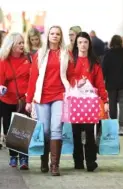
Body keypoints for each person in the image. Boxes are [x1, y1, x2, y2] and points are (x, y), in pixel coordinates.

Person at [25, 25, 75, 176]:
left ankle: (55, 165)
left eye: (57, 34)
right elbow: (33, 77)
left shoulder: (66, 54)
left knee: (56, 129)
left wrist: (73, 90)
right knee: (45, 130)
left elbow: (71, 75)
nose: (54, 36)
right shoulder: (40, 54)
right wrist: (29, 99)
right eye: (52, 33)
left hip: (60, 95)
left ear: (61, 37)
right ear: (47, 36)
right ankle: (43, 160)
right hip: (42, 96)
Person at [71, 32, 109, 172]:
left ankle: (91, 160)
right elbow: (67, 79)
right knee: (75, 132)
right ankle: (78, 160)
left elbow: (100, 84)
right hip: (74, 101)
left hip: (90, 102)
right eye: (80, 42)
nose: (83, 45)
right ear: (76, 44)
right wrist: (76, 83)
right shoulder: (71, 61)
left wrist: (105, 101)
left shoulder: (95, 62)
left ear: (89, 44)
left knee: (89, 132)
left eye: (85, 42)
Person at [0, 32, 31, 169]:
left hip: (24, 99)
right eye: (19, 43)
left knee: (23, 128)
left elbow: (33, 77)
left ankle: (24, 157)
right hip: (7, 100)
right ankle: (13, 155)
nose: (22, 45)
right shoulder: (3, 60)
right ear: (11, 45)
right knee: (9, 128)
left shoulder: (28, 59)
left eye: (23, 42)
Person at [102, 35, 123, 136]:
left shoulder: (107, 54)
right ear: (121, 42)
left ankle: (114, 124)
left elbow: (103, 69)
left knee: (112, 104)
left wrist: (103, 80)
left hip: (111, 84)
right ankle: (122, 127)